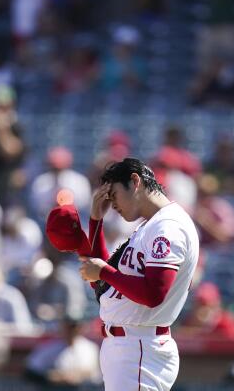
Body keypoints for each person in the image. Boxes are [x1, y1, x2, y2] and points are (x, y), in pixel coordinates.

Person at [78, 158, 200, 391]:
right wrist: (95, 220)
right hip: (132, 346)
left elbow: (154, 293)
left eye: (114, 195)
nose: (111, 204)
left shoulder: (168, 226)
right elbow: (105, 283)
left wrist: (104, 271)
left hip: (139, 346)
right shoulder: (150, 226)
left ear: (135, 181)